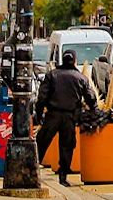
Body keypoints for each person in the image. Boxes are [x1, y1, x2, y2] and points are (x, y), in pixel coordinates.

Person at [36, 50, 94, 186]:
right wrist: (93, 111)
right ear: (74, 61)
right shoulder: (80, 77)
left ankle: (32, 169)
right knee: (67, 146)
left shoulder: (52, 75)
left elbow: (42, 97)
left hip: (53, 115)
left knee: (41, 143)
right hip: (70, 116)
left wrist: (39, 115)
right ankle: (63, 177)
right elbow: (91, 98)